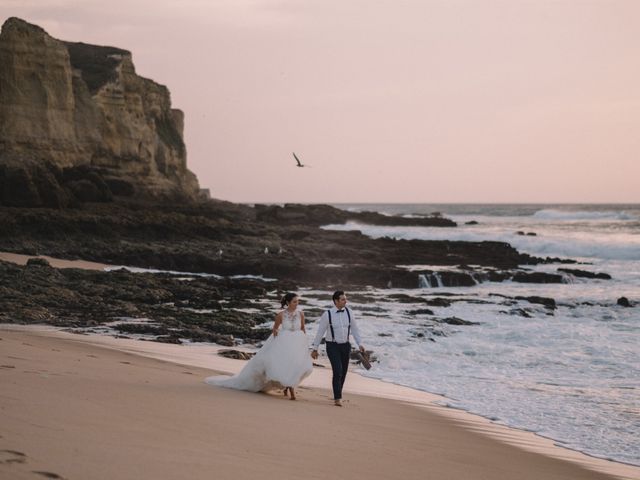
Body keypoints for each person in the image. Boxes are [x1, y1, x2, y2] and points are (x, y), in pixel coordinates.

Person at [206, 292, 313, 400]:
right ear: (288, 302)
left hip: (297, 344)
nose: (297, 303)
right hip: (284, 343)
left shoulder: (301, 314)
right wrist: (275, 332)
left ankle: (287, 387)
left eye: (298, 301)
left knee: (295, 366)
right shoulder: (281, 315)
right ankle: (291, 390)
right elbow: (275, 328)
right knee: (285, 366)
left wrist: (305, 343)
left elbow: (303, 328)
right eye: (295, 301)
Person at [311, 290, 365, 406]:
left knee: (344, 372)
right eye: (343, 299)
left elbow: (355, 329)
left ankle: (338, 392)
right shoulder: (327, 314)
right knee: (338, 370)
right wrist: (315, 348)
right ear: (336, 301)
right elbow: (320, 332)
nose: (346, 301)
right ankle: (337, 397)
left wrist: (360, 343)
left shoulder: (350, 312)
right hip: (332, 346)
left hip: (346, 345)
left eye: (345, 299)